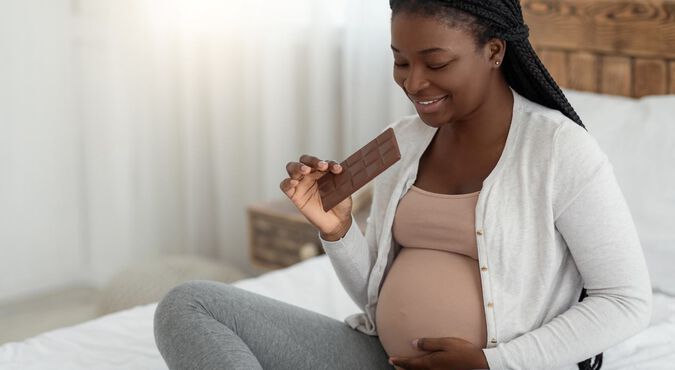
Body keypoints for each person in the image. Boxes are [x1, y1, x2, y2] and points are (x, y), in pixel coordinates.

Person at [153, 1, 652, 369]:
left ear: (494, 51)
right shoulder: (403, 140)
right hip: (380, 357)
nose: (414, 83)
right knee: (188, 305)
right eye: (400, 61)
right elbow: (375, 297)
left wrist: (490, 362)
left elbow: (625, 300)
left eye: (436, 63)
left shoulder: (559, 150)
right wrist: (338, 230)